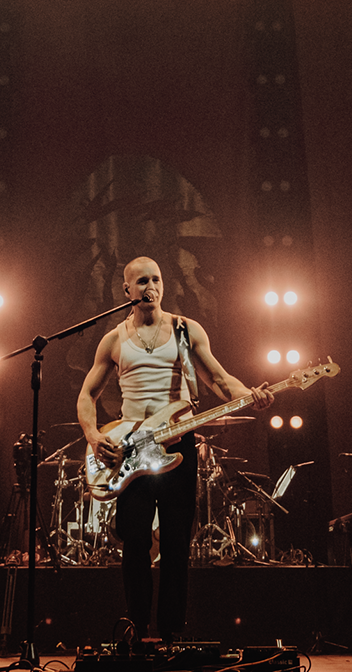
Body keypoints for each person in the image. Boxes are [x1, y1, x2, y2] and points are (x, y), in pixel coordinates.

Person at [78, 256, 272, 639]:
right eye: (142, 281)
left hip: (178, 445)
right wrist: (94, 436)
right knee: (135, 541)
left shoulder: (186, 330)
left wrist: (249, 394)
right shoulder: (114, 339)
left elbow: (219, 379)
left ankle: (171, 634)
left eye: (156, 279)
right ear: (127, 290)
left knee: (176, 543)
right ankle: (136, 628)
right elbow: (87, 395)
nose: (151, 287)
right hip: (130, 451)